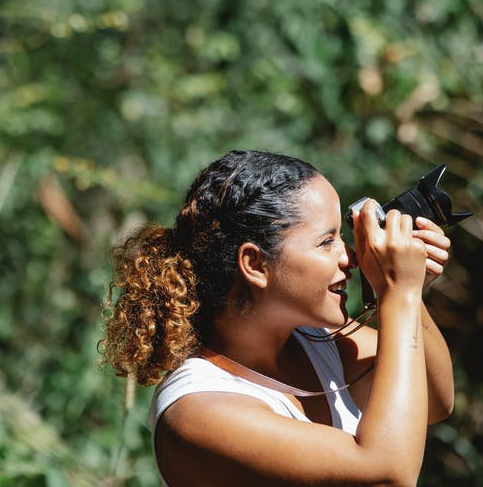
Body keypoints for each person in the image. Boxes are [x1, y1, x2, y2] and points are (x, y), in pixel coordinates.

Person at [102, 149, 454, 486]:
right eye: (326, 241)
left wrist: (403, 289)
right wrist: (399, 293)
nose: (348, 255)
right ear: (255, 264)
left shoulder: (319, 342)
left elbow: (434, 401)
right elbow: (388, 474)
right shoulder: (198, 410)